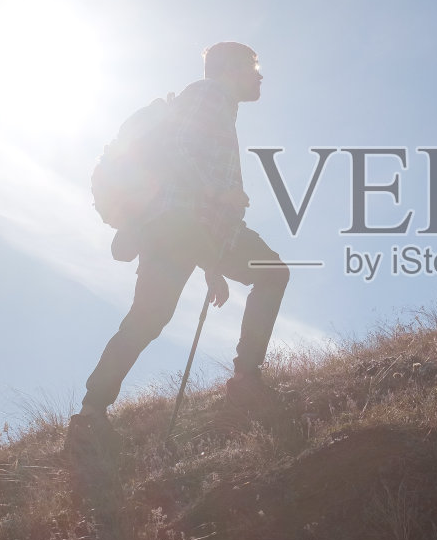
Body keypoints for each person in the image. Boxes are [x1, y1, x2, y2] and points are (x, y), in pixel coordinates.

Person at [68, 42, 289, 448]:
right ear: (230, 69)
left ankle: (91, 412)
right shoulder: (206, 95)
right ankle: (244, 379)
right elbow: (177, 151)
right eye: (253, 67)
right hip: (177, 226)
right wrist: (218, 195)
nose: (259, 76)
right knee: (267, 275)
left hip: (189, 230)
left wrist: (212, 261)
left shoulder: (218, 104)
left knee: (149, 319)